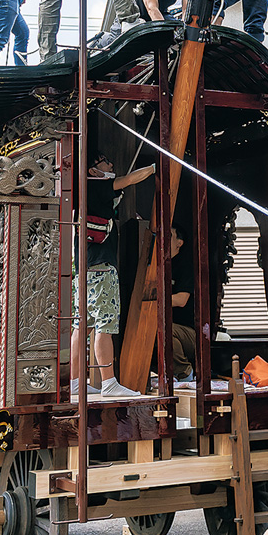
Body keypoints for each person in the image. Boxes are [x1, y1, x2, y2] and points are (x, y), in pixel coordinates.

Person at [70, 153, 155, 399]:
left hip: (83, 270)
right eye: (106, 162)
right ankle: (108, 383)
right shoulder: (96, 184)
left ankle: (76, 382)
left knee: (81, 326)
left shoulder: (83, 192)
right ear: (94, 170)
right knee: (103, 326)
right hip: (102, 268)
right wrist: (152, 168)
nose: (111, 165)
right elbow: (128, 180)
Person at [170, 225, 196, 382]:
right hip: (172, 327)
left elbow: (181, 300)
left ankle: (184, 372)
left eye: (169, 235)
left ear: (179, 243)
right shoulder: (158, 265)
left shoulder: (185, 266)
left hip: (190, 333)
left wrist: (153, 299)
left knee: (163, 328)